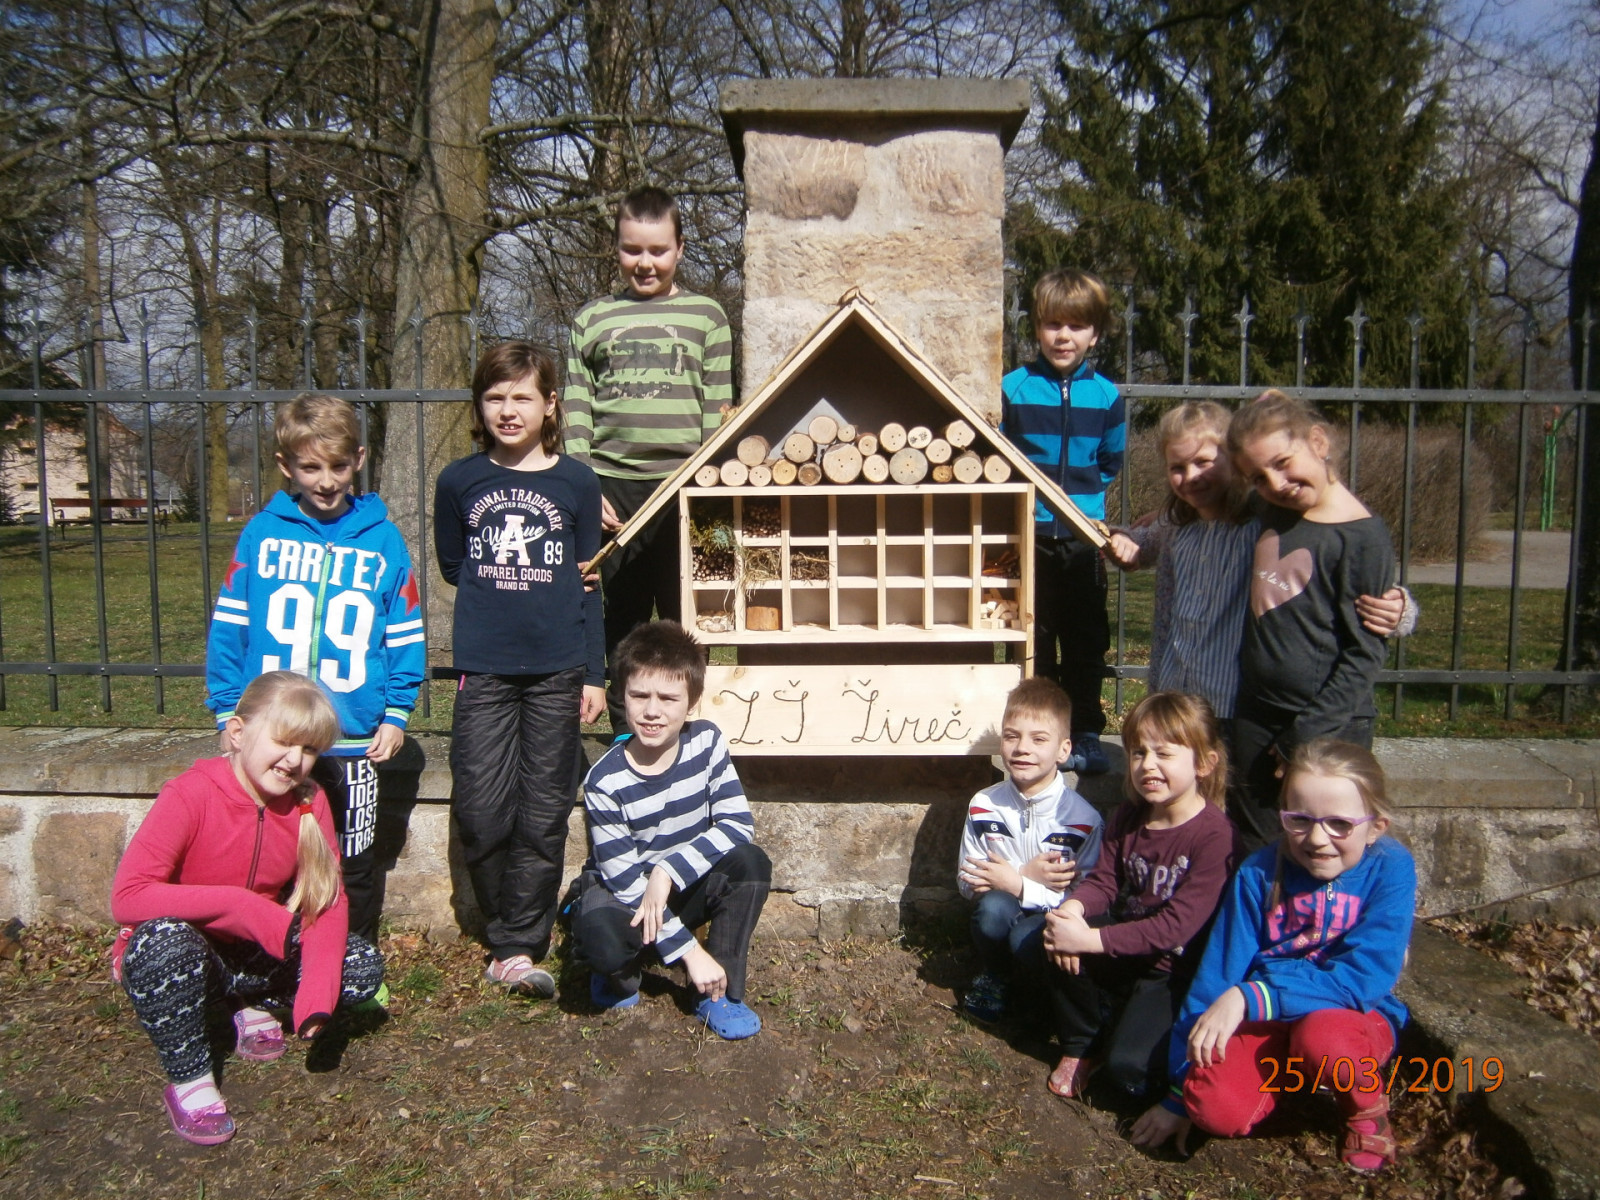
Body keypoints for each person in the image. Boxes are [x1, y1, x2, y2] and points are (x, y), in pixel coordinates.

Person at [111, 671, 384, 1145]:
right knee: (163, 945)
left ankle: (249, 1002)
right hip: (190, 950)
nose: (295, 760)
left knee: (360, 966)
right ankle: (191, 1080)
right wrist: (238, 904)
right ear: (237, 733)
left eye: (310, 749)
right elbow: (128, 896)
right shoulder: (190, 794)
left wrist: (316, 997)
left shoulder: (309, 802)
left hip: (253, 953)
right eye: (284, 741)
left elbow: (327, 900)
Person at [1130, 739, 1415, 1174]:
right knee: (1214, 1108)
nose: (1317, 839)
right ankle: (1283, 1081)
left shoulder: (1390, 867)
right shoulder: (1258, 873)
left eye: (1340, 824)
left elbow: (1363, 978)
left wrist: (1254, 997)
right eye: (1299, 820)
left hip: (1348, 1017)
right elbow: (1218, 975)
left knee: (1325, 1040)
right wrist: (1179, 1090)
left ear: (1376, 826)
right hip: (1269, 1021)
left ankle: (1365, 1111)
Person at [206, 391, 425, 945]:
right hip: (274, 736)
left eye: (338, 466)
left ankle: (354, 960)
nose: (326, 481)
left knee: (354, 858)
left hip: (353, 738)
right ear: (286, 466)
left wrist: (396, 712)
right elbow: (231, 627)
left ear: (359, 459)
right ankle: (274, 957)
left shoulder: (382, 538)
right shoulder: (262, 533)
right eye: (310, 468)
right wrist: (228, 711)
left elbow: (404, 631)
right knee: (271, 852)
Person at [434, 341, 607, 997]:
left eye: (522, 397)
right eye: (495, 397)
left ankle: (516, 945)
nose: (509, 410)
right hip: (486, 669)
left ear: (550, 405)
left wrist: (594, 674)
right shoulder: (458, 481)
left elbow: (589, 584)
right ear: (480, 406)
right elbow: (455, 566)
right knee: (480, 808)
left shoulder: (577, 483)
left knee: (542, 811)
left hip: (559, 669)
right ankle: (502, 918)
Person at [1103, 401, 1413, 735]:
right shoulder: (1176, 524)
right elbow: (1143, 543)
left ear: (1236, 463)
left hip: (1232, 701)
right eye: (1177, 467)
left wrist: (1401, 608)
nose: (1191, 476)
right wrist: (1123, 539)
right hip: (1176, 692)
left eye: (1204, 462)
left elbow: (1332, 554)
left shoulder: (1264, 523)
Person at [565, 185, 734, 731]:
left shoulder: (707, 317)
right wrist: (584, 486)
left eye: (658, 250)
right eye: (632, 249)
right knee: (622, 621)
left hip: (684, 489)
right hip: (612, 494)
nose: (645, 262)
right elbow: (576, 407)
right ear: (615, 248)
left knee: (691, 620)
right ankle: (626, 734)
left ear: (679, 249)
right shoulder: (593, 319)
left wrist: (705, 487)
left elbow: (717, 408)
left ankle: (691, 732)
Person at [572, 620, 771, 1040]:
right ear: (621, 695)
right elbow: (626, 883)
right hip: (627, 895)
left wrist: (667, 870)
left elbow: (737, 823)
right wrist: (690, 952)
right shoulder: (604, 782)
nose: (652, 711)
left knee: (750, 864)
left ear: (692, 702)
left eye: (668, 698)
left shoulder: (707, 743)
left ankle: (718, 992)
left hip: (680, 884)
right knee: (602, 938)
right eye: (639, 695)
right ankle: (617, 972)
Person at [1040, 691, 1242, 1103]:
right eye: (1138, 752)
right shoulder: (1130, 816)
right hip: (1125, 945)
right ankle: (1084, 1042)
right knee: (1049, 935)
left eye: (1164, 754)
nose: (1148, 765)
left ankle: (1123, 1033)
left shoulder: (1215, 837)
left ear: (1204, 764)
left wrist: (1089, 939)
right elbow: (1103, 882)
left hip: (1171, 969)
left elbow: (1174, 928)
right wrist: (1071, 911)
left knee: (1128, 1071)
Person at [1226, 391, 1396, 847]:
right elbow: (1210, 498)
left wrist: (1303, 734)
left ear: (1318, 442)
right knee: (1255, 839)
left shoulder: (1362, 537)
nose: (1276, 482)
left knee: (1322, 843)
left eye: (1283, 463)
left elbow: (1365, 654)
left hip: (1327, 725)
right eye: (1258, 477)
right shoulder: (1274, 510)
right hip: (1256, 712)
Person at [1001, 268, 1125, 774]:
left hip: (1083, 537)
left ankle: (1086, 732)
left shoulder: (1107, 396)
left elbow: (1110, 461)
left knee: (1085, 640)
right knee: (1033, 638)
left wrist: (1081, 506)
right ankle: (1034, 735)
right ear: (1037, 328)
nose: (1063, 336)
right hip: (1028, 534)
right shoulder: (1014, 388)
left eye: (1076, 326)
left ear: (1095, 334)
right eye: (1053, 324)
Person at [957, 677, 1104, 1024]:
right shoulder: (984, 805)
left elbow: (1089, 898)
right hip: (1002, 908)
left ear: (1064, 750)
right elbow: (967, 881)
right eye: (1012, 736)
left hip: (1055, 918)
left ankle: (1045, 988)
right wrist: (1023, 875)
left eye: (1039, 739)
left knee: (1027, 935)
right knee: (993, 910)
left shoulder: (1083, 820)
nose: (1022, 748)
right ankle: (996, 974)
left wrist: (1021, 885)